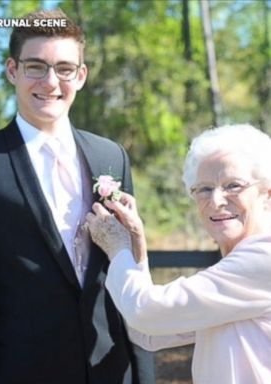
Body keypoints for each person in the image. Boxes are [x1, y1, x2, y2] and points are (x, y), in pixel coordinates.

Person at [0, 9, 155, 384]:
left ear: (81, 76)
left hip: (114, 372)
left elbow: (131, 271)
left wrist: (144, 374)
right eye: (36, 66)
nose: (51, 82)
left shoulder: (110, 156)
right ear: (11, 71)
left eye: (65, 68)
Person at [87, 124, 271, 384]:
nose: (216, 200)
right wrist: (137, 247)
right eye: (204, 189)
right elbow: (149, 333)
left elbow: (147, 313)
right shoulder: (240, 267)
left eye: (233, 186)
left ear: (267, 194)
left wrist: (118, 248)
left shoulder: (263, 259)